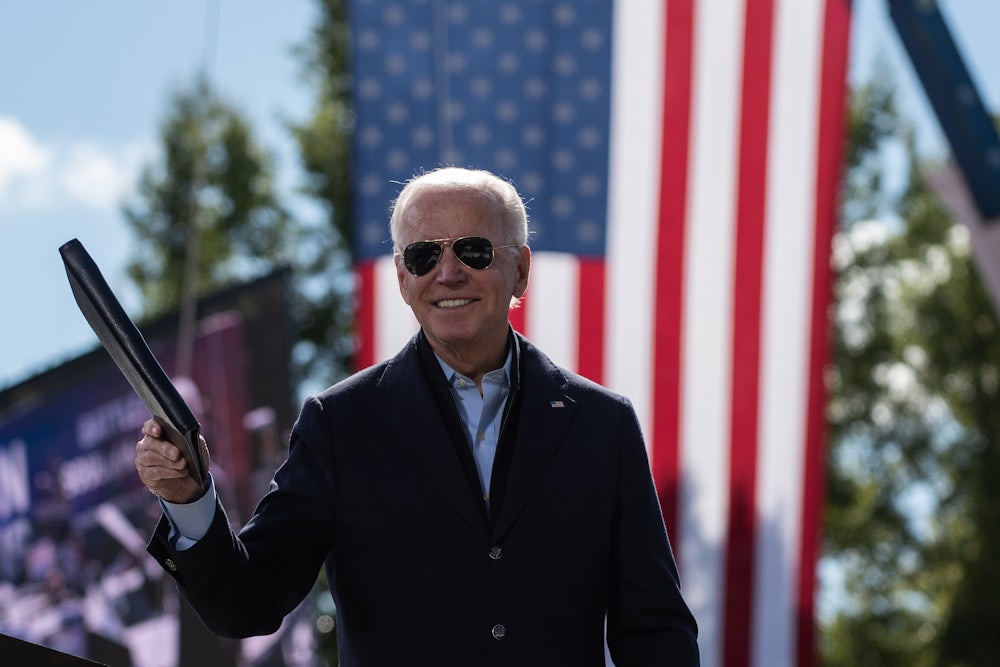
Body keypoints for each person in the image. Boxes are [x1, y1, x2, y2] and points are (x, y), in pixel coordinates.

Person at [135, 167, 699, 665]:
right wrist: (191, 504)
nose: (448, 274)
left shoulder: (602, 425)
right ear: (403, 279)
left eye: (473, 251)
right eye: (424, 256)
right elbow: (249, 604)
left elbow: (655, 632)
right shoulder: (340, 425)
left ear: (521, 270)